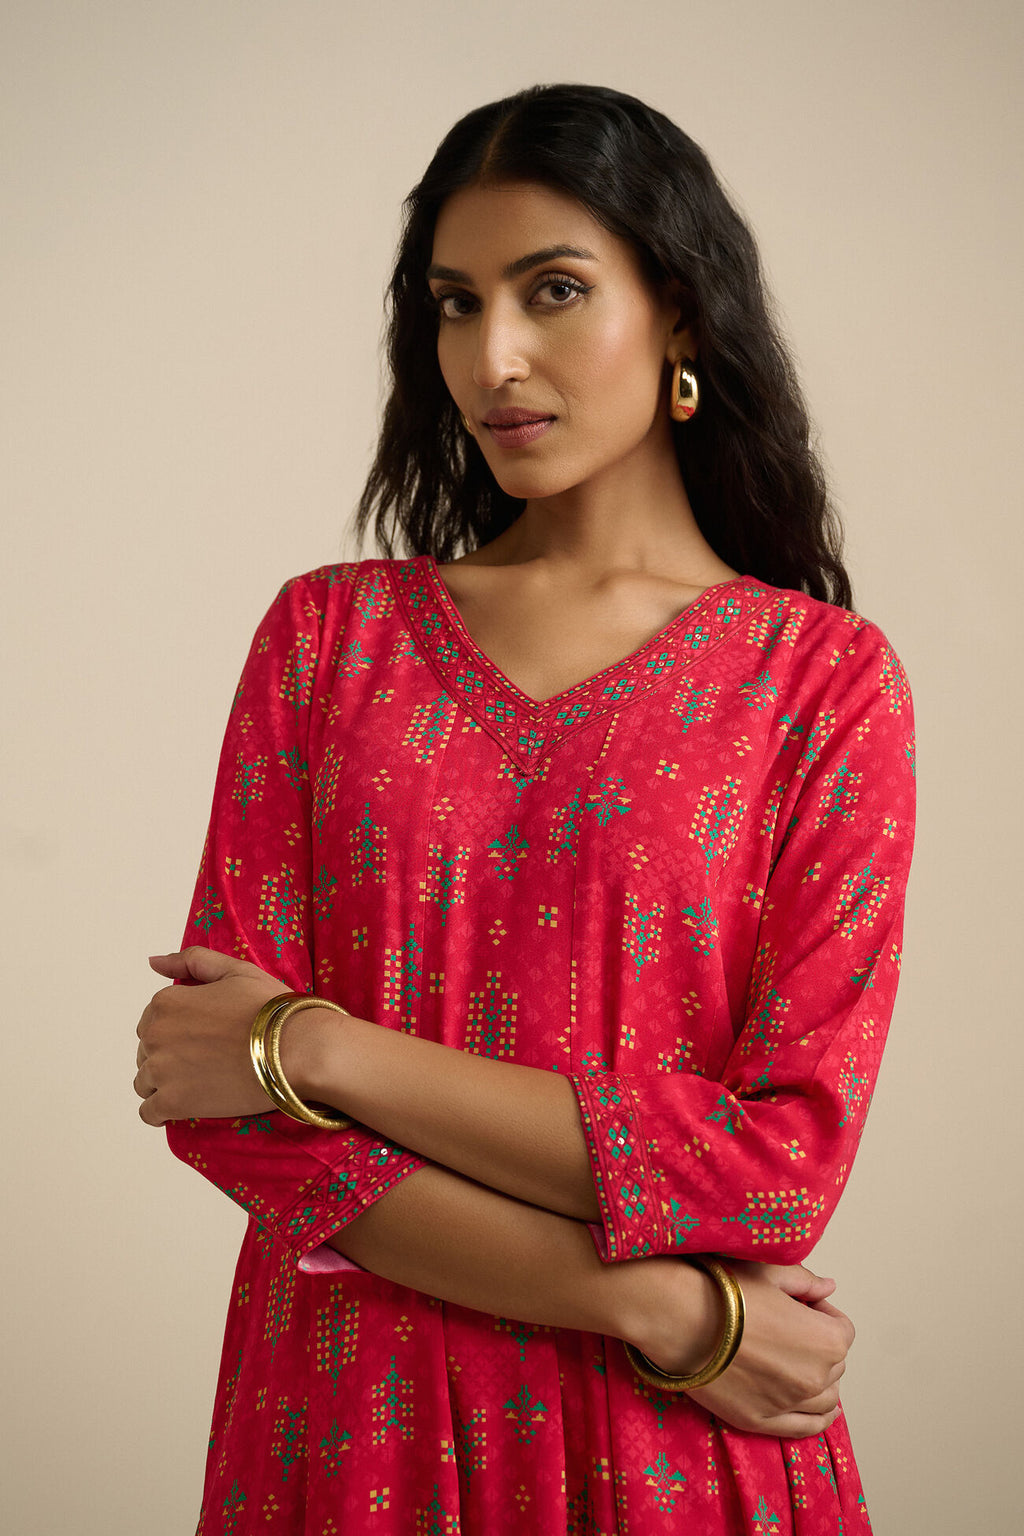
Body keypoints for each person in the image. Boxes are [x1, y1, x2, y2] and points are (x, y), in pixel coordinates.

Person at [134, 83, 915, 1534]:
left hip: (679, 1457)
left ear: (680, 313)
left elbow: (771, 1172)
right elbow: (222, 1101)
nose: (492, 358)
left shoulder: (822, 685)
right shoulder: (326, 643)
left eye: (553, 292)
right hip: (361, 1429)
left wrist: (318, 1045)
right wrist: (661, 1309)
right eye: (452, 304)